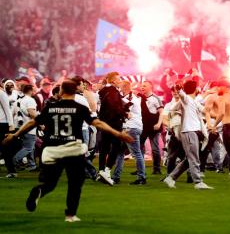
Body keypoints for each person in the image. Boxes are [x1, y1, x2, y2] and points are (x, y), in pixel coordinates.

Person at [2, 80, 133, 222]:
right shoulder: (80, 108)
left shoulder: (50, 107)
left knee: (50, 184)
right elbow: (97, 123)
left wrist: (15, 135)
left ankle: (39, 191)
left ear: (61, 91)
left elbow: (33, 122)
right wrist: (118, 134)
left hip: (52, 149)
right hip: (72, 149)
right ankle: (70, 215)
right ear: (75, 91)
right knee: (75, 183)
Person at [163, 80, 213, 189]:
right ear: (195, 89)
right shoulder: (186, 99)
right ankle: (198, 182)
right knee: (193, 158)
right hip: (189, 131)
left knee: (189, 159)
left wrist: (211, 100)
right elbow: (181, 94)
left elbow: (205, 111)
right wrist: (178, 87)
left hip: (193, 132)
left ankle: (171, 178)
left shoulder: (194, 101)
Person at [112, 80, 147, 185]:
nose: (119, 88)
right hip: (129, 127)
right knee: (120, 152)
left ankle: (142, 177)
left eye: (121, 86)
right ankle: (116, 176)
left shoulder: (131, 99)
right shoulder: (130, 98)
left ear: (125, 87)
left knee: (136, 153)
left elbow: (126, 113)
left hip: (131, 128)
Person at [97, 72, 126, 185]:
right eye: (119, 79)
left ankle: (101, 171)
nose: (120, 81)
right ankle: (107, 171)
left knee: (104, 147)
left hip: (105, 123)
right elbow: (114, 107)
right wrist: (124, 113)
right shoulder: (113, 91)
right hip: (113, 124)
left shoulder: (104, 91)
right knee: (116, 147)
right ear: (113, 81)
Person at [139, 80, 164, 175]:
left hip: (154, 127)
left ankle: (157, 168)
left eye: (144, 86)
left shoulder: (155, 98)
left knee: (155, 148)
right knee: (140, 148)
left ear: (151, 87)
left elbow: (162, 112)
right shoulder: (139, 98)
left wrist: (158, 124)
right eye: (142, 86)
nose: (142, 87)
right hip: (143, 126)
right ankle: (140, 168)